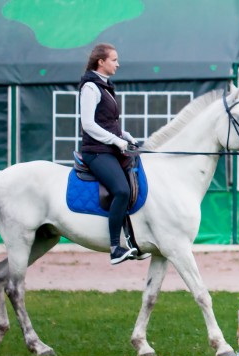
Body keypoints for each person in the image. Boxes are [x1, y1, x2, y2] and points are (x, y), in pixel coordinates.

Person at [79, 43, 148, 265]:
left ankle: (133, 242)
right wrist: (116, 141)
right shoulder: (91, 87)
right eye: (114, 60)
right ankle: (114, 247)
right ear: (101, 62)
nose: (118, 64)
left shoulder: (106, 86)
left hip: (110, 148)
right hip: (96, 152)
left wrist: (126, 136)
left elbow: (109, 123)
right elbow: (88, 124)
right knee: (121, 190)